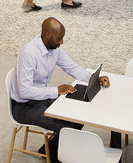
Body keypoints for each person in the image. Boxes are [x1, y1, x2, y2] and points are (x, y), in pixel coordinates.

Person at [8, 18, 111, 162]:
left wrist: (94, 78)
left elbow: (71, 67)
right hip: (23, 107)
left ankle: (49, 150)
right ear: (48, 35)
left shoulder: (54, 48)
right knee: (67, 126)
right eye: (59, 38)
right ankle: (57, 157)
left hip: (42, 98)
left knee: (79, 115)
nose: (62, 42)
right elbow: (24, 92)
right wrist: (56, 91)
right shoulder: (29, 53)